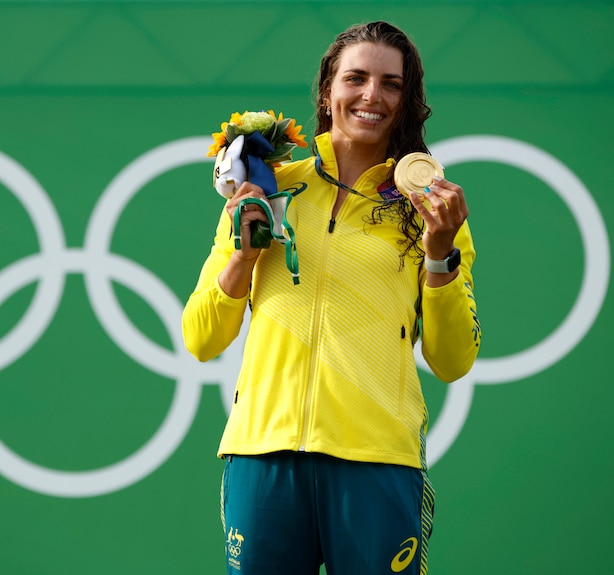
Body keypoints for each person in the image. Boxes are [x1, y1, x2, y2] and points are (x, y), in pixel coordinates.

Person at [181, 20, 480, 575]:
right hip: (263, 455)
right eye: (356, 78)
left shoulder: (430, 212)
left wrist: (439, 253)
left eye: (391, 84)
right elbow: (200, 338)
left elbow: (453, 359)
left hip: (376, 461)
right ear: (327, 90)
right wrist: (244, 256)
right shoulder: (269, 190)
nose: (372, 95)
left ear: (407, 100)